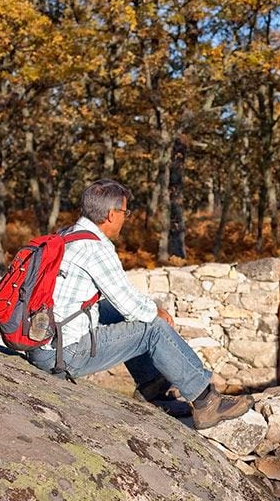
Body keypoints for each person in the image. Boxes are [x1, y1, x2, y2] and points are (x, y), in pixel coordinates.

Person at [26, 178, 252, 429]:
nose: (126, 218)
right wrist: (157, 312)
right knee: (152, 328)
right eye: (125, 212)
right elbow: (131, 307)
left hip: (42, 345)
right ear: (111, 214)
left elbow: (118, 302)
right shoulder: (95, 248)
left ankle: (150, 386)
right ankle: (206, 401)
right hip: (64, 355)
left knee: (110, 311)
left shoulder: (65, 237)